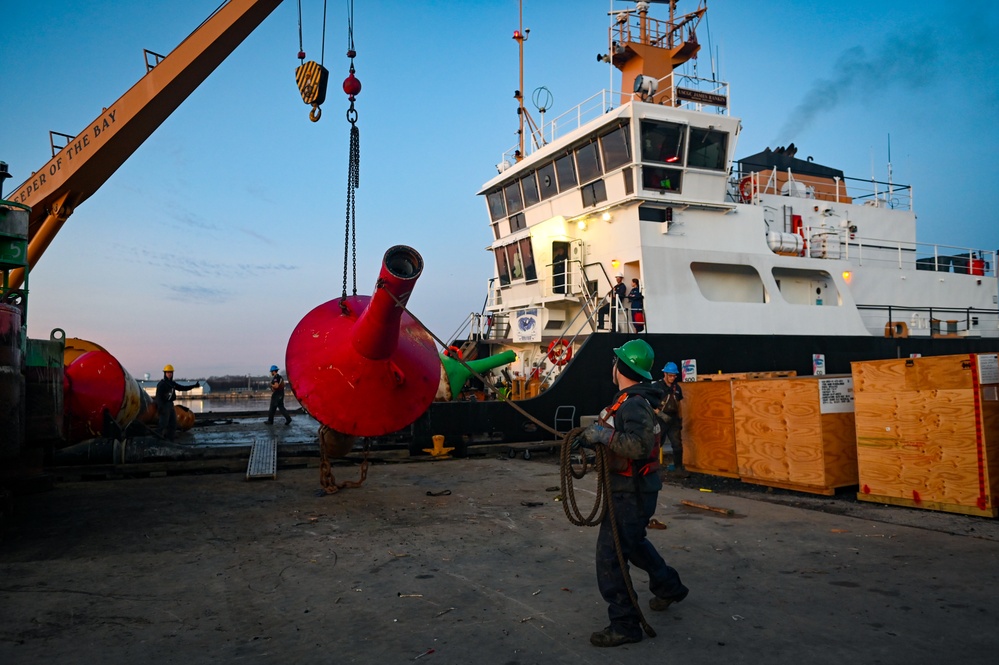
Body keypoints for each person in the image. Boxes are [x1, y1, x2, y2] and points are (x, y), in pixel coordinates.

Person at [572, 339, 689, 647]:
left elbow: (637, 446)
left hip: (630, 494)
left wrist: (601, 433)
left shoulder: (634, 403)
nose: (612, 367)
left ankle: (625, 624)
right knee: (633, 545)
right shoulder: (629, 400)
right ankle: (669, 586)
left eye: (615, 362)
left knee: (610, 557)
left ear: (621, 367)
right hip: (632, 491)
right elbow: (619, 437)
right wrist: (589, 439)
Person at [654, 361, 686, 476]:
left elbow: (679, 404)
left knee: (677, 444)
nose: (673, 378)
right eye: (671, 375)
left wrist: (680, 419)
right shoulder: (656, 387)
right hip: (660, 420)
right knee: (656, 444)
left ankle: (678, 468)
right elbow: (650, 403)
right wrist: (659, 414)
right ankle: (653, 469)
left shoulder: (677, 388)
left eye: (674, 376)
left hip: (673, 420)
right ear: (665, 374)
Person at [155, 364, 200, 441]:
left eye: (171, 372)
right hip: (164, 405)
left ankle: (170, 439)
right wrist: (160, 407)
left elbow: (182, 388)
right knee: (163, 424)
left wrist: (193, 386)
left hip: (170, 405)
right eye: (168, 372)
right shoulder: (161, 384)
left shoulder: (172, 384)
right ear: (165, 373)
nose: (169, 374)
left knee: (173, 423)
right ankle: (158, 440)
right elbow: (158, 397)